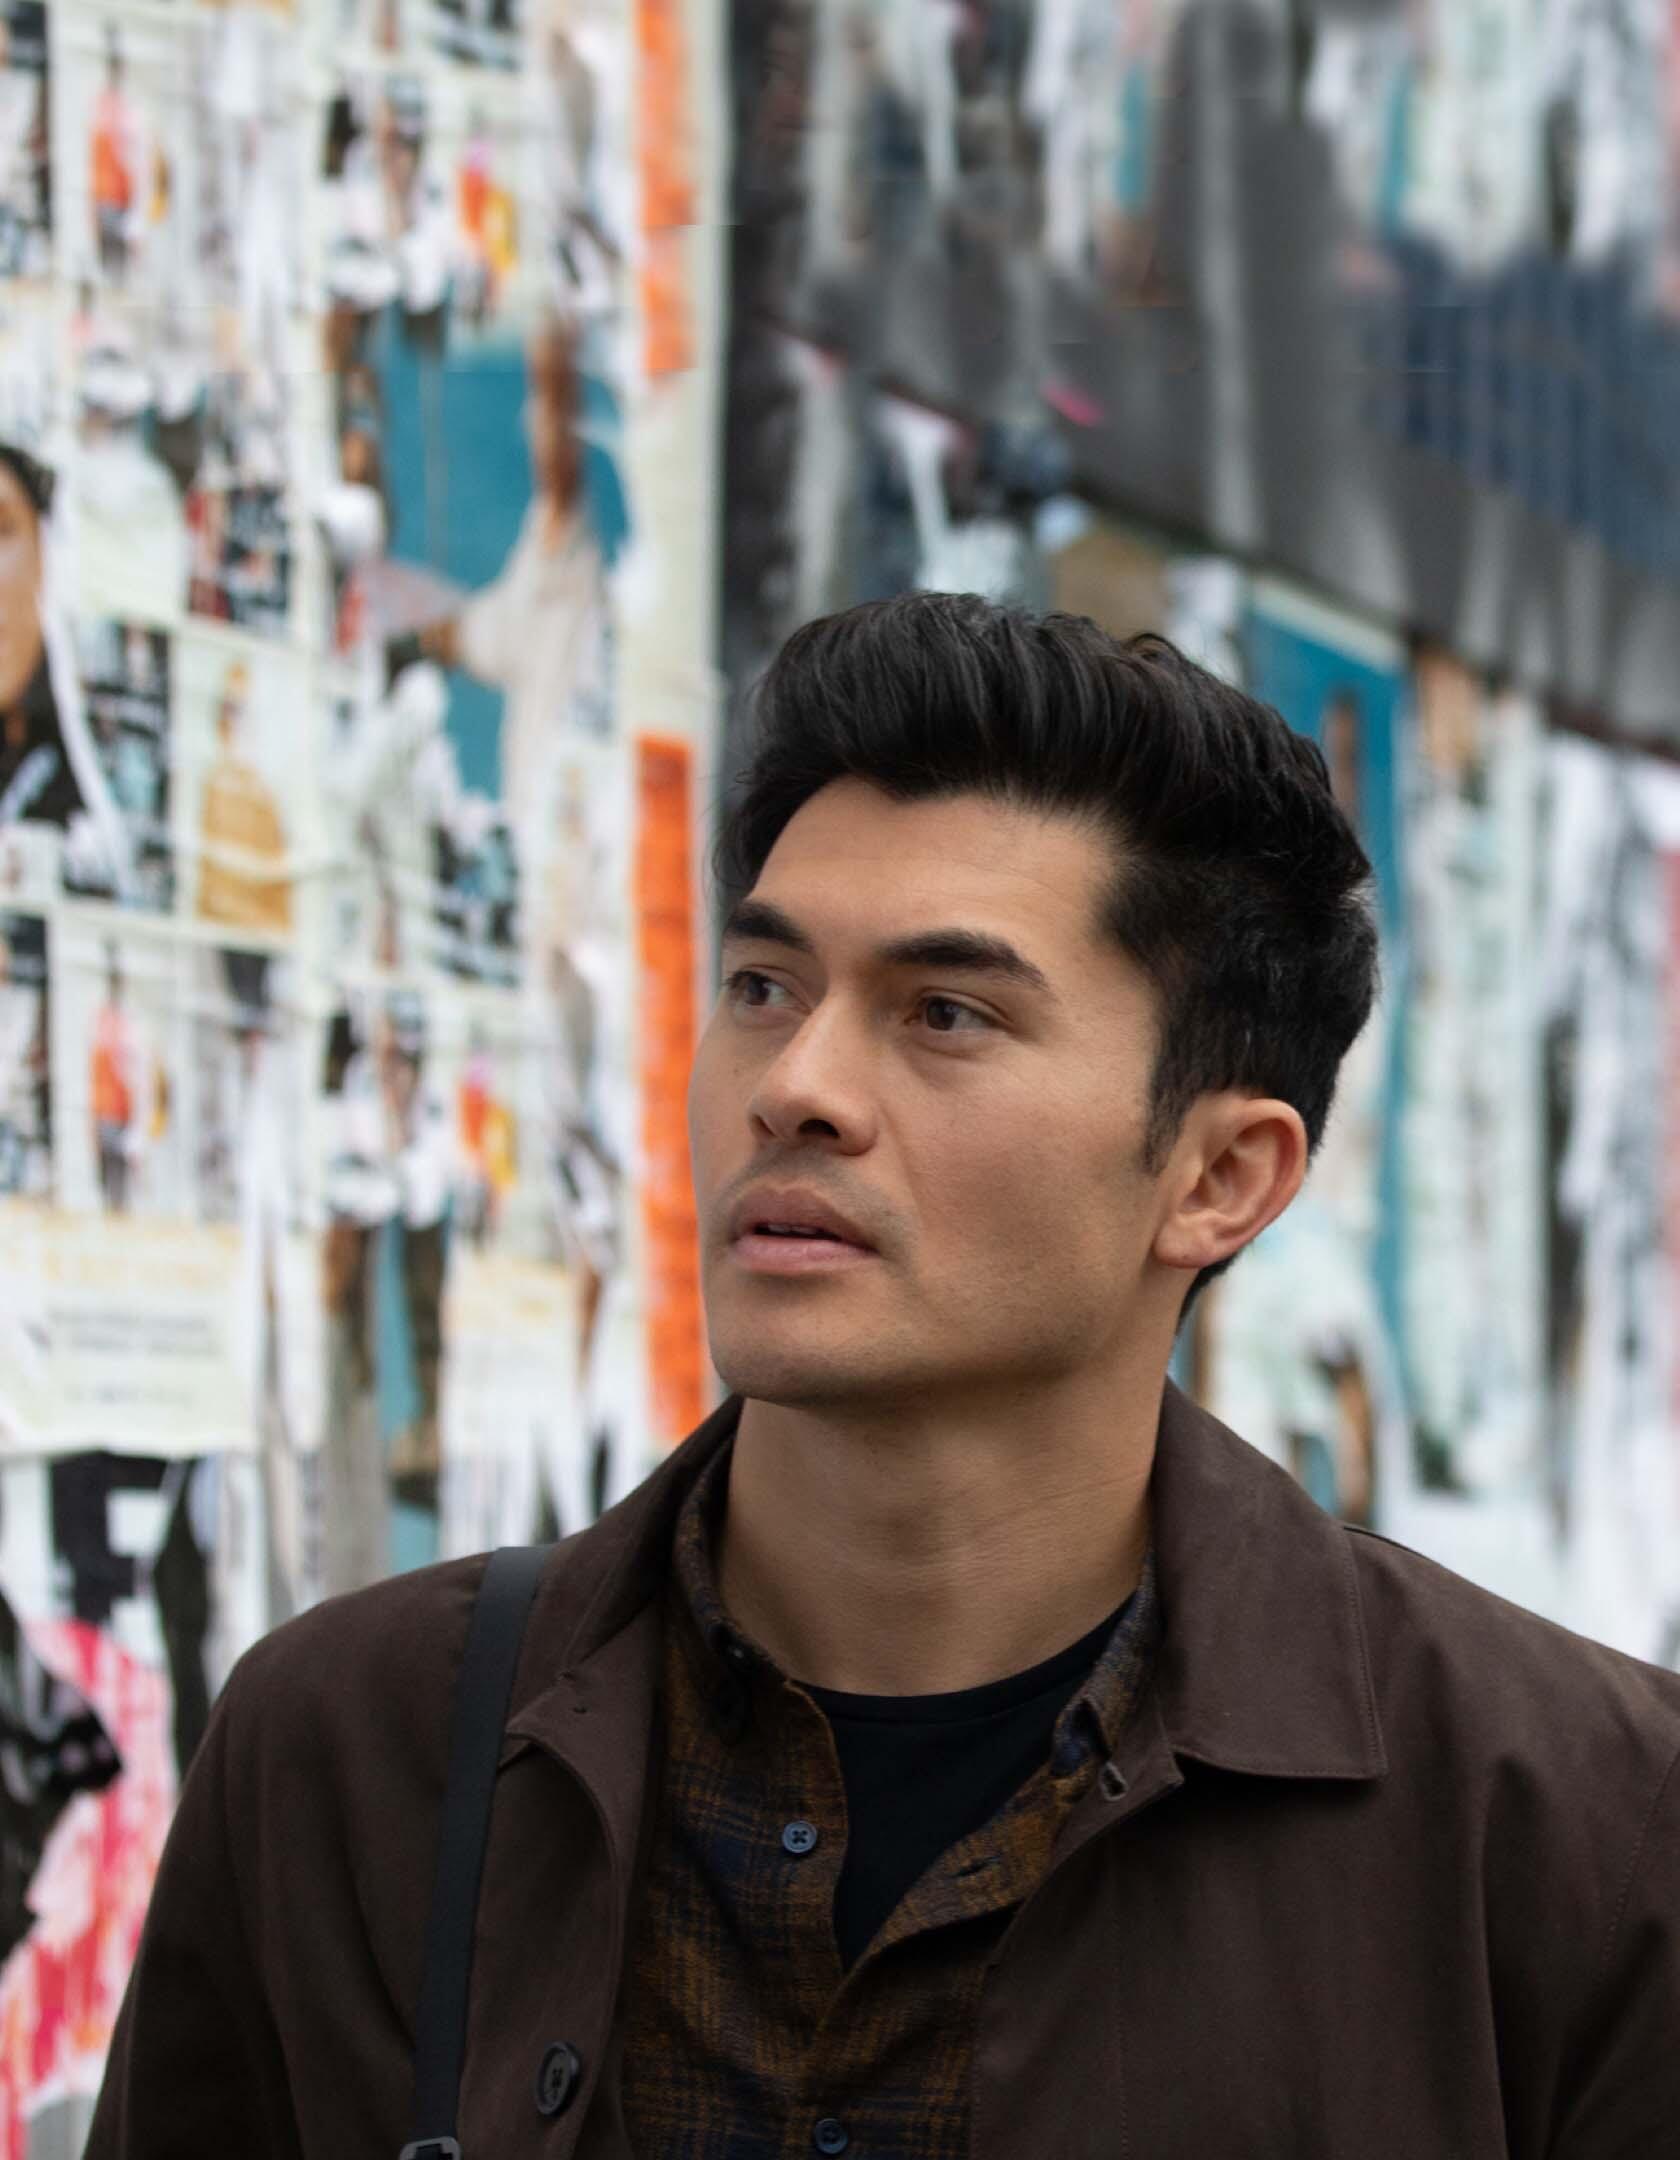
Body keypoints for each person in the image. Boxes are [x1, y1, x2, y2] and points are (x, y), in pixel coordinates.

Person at [88, 595, 1680, 2156]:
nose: (797, 1089)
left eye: (945, 1013)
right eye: (765, 987)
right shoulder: (362, 1749)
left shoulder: (1577, 1833)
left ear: (1219, 1181)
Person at [194, 658, 293, 937]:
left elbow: (278, 892)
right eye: (229, 710)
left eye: (240, 711)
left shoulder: (265, 796)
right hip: (222, 929)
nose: (233, 722)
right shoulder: (215, 784)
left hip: (259, 932)